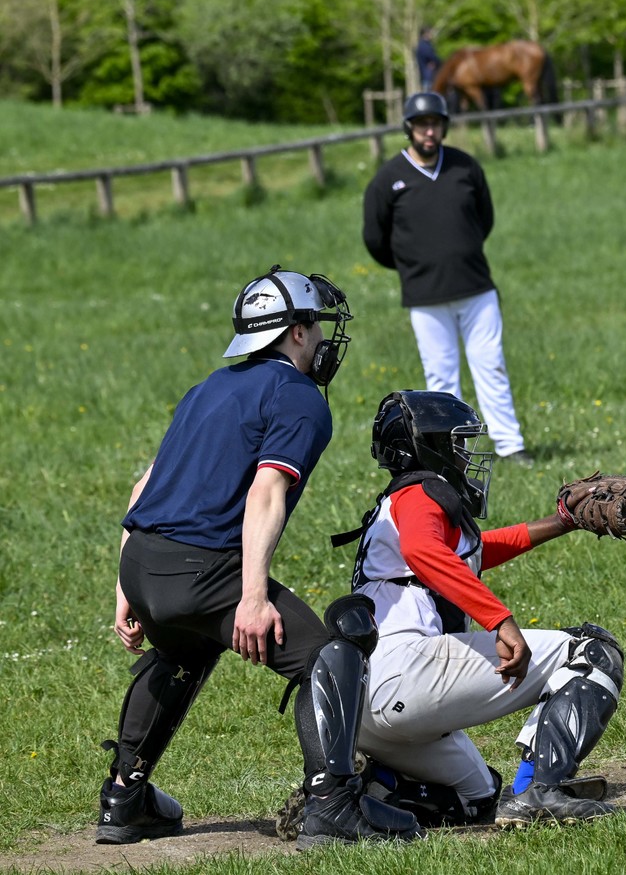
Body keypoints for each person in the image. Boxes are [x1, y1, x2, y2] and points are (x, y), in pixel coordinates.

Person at [101, 266, 423, 849]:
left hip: (144, 562)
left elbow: (144, 486)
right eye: (316, 325)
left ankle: (124, 799)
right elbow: (266, 492)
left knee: (182, 648)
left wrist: (128, 587)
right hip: (202, 573)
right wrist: (252, 597)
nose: (322, 337)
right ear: (296, 332)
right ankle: (332, 805)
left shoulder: (208, 387)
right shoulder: (299, 398)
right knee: (328, 654)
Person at [313, 391, 626, 829]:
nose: (466, 456)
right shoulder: (420, 493)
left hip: (366, 707)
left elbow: (468, 553)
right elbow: (425, 552)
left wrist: (561, 522)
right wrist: (501, 620)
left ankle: (376, 787)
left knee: (477, 799)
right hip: (406, 673)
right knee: (591, 652)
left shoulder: (398, 502)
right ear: (429, 447)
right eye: (458, 444)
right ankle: (541, 790)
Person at [363, 91, 532, 464]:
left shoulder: (465, 167)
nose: (429, 131)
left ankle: (511, 445)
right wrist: (414, 265)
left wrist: (460, 251)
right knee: (440, 378)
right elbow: (375, 239)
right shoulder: (388, 179)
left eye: (435, 124)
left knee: (491, 365)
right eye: (422, 124)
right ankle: (453, 454)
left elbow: (483, 220)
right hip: (425, 295)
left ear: (444, 127)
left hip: (475, 287)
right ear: (409, 128)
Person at [415, 27, 441, 92]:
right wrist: (442, 63)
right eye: (430, 33)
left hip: (428, 76)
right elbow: (432, 58)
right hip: (429, 77)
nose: (431, 35)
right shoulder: (424, 46)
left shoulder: (425, 45)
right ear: (425, 34)